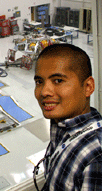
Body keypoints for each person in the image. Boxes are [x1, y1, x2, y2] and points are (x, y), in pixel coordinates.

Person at [34, 43, 102, 191]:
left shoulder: (95, 158)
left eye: (58, 80)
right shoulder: (62, 128)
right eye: (39, 81)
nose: (44, 91)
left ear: (88, 87)